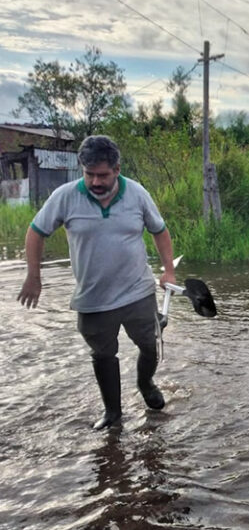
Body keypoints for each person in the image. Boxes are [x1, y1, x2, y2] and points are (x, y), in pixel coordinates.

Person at [17, 135, 175, 430]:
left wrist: (168, 271)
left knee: (150, 344)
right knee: (103, 355)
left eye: (102, 174)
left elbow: (160, 231)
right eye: (89, 174)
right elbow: (35, 232)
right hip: (93, 298)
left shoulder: (137, 194)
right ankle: (113, 414)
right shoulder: (65, 197)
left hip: (137, 291)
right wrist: (33, 276)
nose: (95, 181)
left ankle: (146, 383)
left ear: (117, 169)